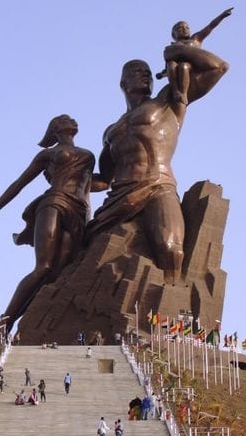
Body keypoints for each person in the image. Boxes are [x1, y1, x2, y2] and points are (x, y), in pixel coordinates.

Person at [86, 39, 229, 285]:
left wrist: (179, 50)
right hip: (119, 195)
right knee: (83, 249)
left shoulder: (168, 101)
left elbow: (218, 67)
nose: (144, 75)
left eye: (148, 73)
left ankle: (167, 309)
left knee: (171, 249)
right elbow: (103, 180)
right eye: (136, 71)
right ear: (123, 83)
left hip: (157, 185)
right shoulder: (111, 131)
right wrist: (66, 181)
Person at [0, 115, 106, 332]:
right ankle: (5, 321)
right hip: (54, 202)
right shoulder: (48, 154)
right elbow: (19, 183)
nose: (73, 120)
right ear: (55, 129)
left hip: (79, 212)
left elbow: (97, 183)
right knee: (43, 267)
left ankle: (33, 320)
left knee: (58, 274)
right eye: (65, 119)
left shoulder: (88, 155)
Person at [156, 8, 233, 105]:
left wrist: (221, 16)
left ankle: (183, 94)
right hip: (176, 70)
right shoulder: (172, 47)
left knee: (184, 66)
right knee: (172, 64)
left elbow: (210, 27)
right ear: (173, 34)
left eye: (187, 27)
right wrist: (162, 74)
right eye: (180, 28)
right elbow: (167, 66)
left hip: (192, 68)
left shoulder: (195, 39)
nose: (184, 29)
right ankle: (176, 91)